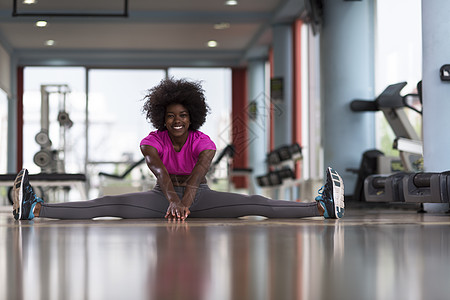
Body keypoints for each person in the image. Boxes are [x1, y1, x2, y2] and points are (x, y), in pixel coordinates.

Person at [12, 78, 345, 221]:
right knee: (106, 204)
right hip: (162, 197)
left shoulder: (204, 142)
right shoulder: (151, 140)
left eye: (182, 116)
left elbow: (200, 173)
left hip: (200, 196)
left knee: (256, 203)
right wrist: (172, 200)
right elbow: (157, 169)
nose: (176, 121)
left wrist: (185, 203)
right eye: (170, 116)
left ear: (192, 117)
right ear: (161, 118)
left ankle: (322, 208)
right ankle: (34, 209)